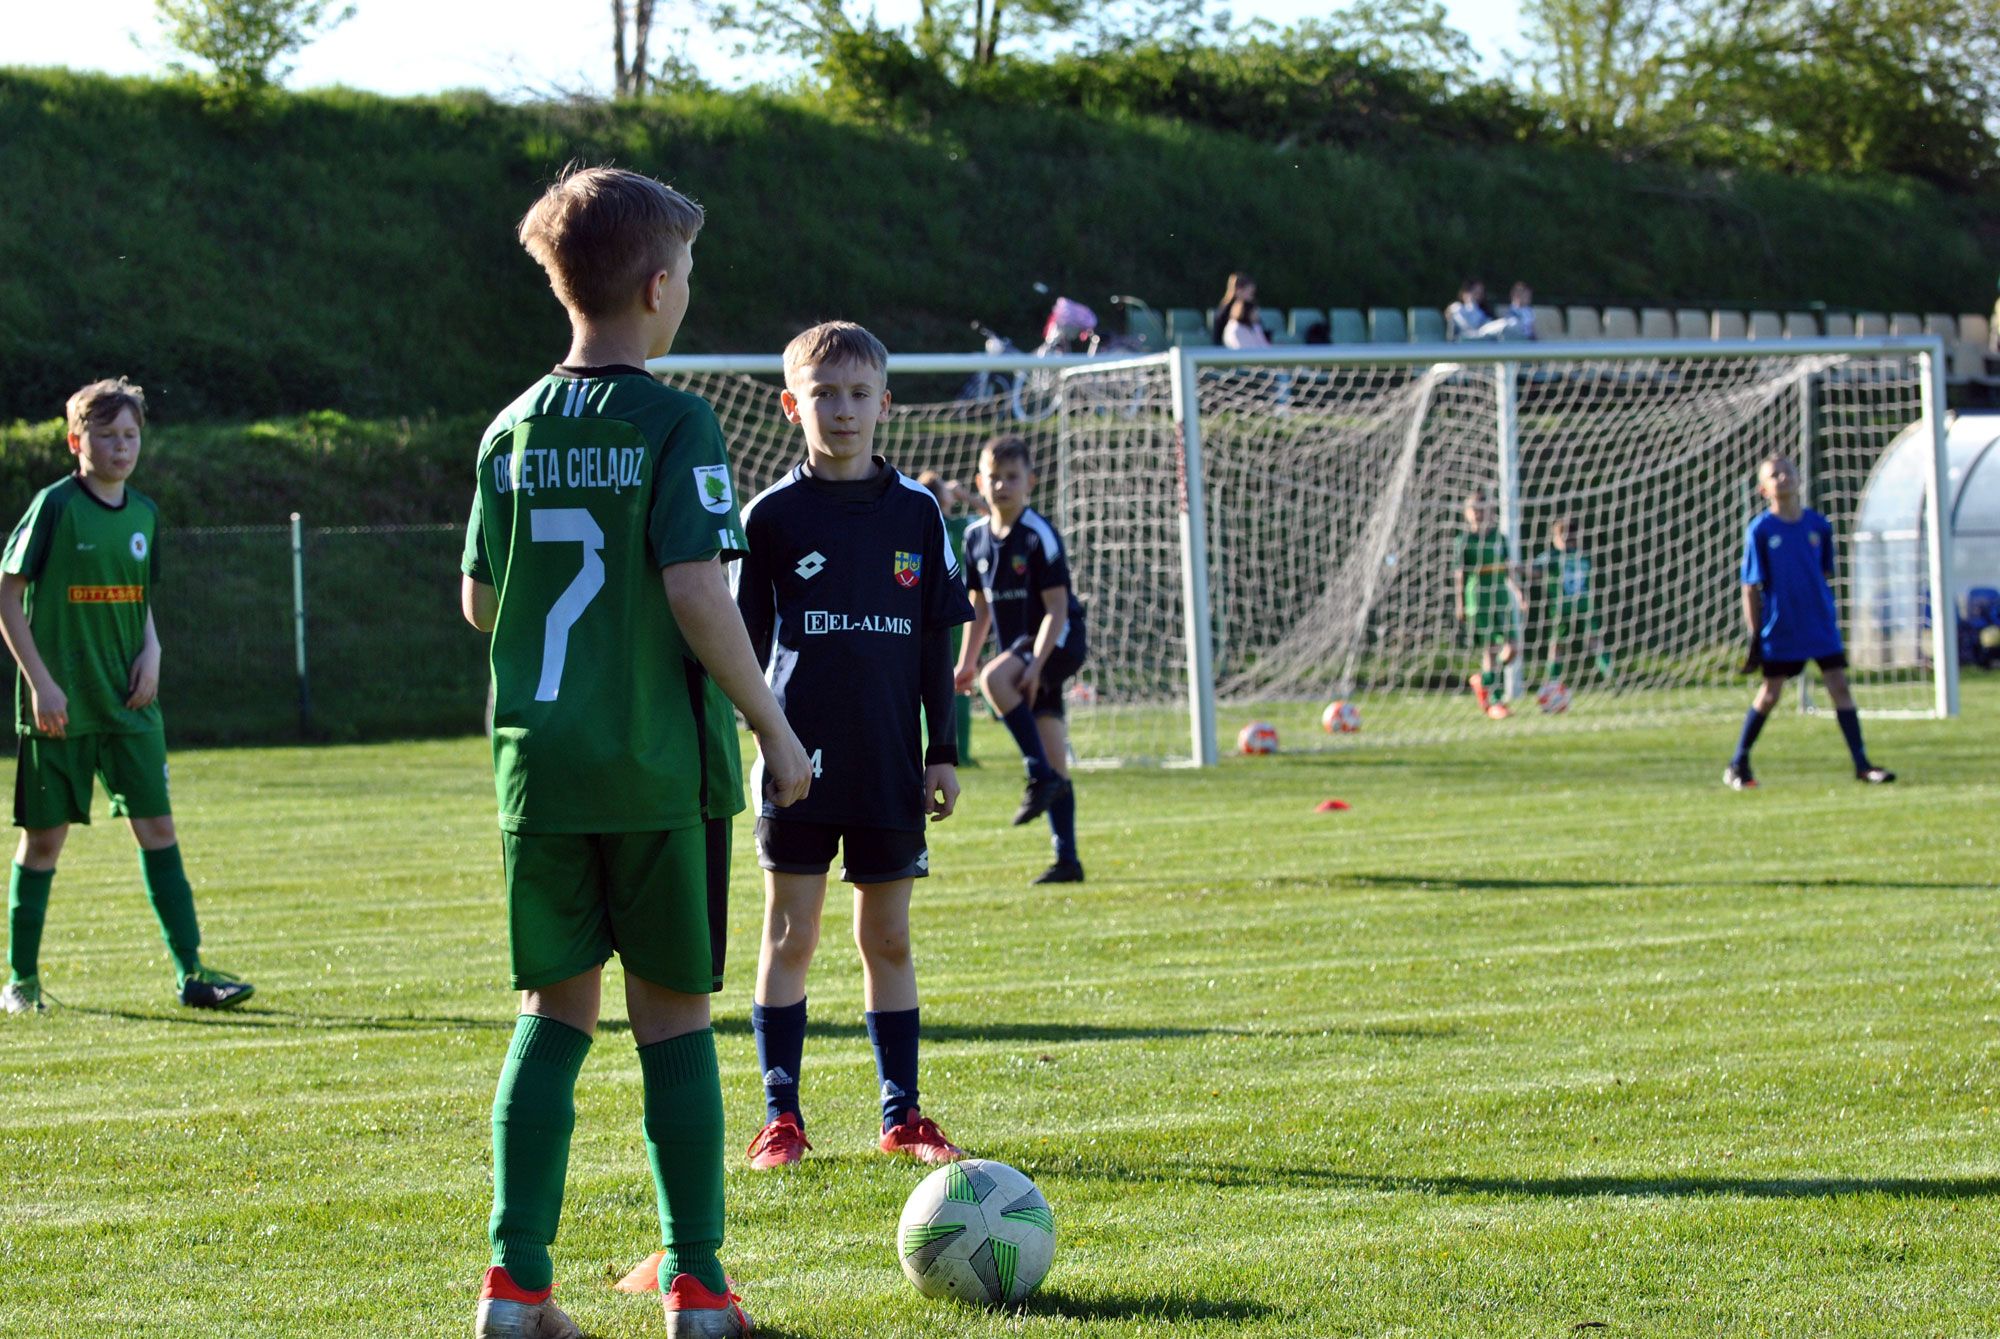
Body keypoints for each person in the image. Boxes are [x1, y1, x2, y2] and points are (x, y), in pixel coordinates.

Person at [460, 165, 812, 1339]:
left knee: (550, 1014)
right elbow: (697, 593)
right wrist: (772, 724)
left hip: (539, 770)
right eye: (692, 274)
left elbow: (478, 600)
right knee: (670, 1023)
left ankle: (515, 1291)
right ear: (657, 289)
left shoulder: (509, 427)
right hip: (656, 769)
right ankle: (699, 1290)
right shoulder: (675, 419)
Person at [731, 321, 975, 1173]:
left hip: (888, 764)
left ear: (885, 404)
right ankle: (780, 1116)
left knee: (891, 940)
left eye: (859, 394)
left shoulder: (919, 511)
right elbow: (740, 647)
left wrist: (942, 750)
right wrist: (765, 738)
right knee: (791, 935)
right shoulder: (769, 518)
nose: (842, 411)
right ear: (793, 405)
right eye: (824, 395)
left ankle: (902, 1114)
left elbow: (934, 642)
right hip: (796, 765)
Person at [0, 377, 254, 1017]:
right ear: (75, 441)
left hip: (130, 704)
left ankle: (192, 972)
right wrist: (41, 683)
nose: (121, 446)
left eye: (131, 435)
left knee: (158, 829)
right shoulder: (55, 506)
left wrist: (154, 651)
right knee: (45, 841)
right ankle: (21, 983)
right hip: (62, 707)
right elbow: (7, 594)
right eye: (107, 435)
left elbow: (139, 598)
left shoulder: (144, 513)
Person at [955, 436, 1087, 883]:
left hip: (1059, 640)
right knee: (1056, 757)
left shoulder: (1037, 534)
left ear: (1030, 482)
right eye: (993, 476)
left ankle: (1036, 775)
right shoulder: (975, 538)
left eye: (1012, 477)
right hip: (1023, 650)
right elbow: (979, 606)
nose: (1002, 485)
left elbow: (1058, 609)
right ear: (980, 481)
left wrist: (1033, 667)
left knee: (997, 681)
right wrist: (966, 662)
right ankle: (1067, 860)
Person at [1725, 455, 1894, 790]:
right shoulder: (1761, 530)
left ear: (1800, 479)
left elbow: (1822, 573)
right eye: (1775, 475)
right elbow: (1750, 585)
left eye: (1788, 472)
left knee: (1839, 686)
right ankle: (1738, 763)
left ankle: (1862, 765)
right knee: (1771, 693)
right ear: (1763, 489)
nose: (1784, 478)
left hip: (1819, 625)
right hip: (1781, 627)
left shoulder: (1818, 526)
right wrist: (1755, 634)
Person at [919, 469, 981, 765]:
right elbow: (993, 514)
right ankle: (960, 752)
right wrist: (966, 495)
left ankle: (933, 746)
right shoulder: (953, 526)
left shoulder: (925, 523)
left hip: (928, 610)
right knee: (954, 679)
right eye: (945, 487)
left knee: (929, 679)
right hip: (953, 613)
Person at [1454, 492, 1524, 719]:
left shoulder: (1499, 537)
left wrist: (1519, 594)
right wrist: (1461, 603)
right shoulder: (1465, 541)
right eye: (1473, 509)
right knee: (1491, 650)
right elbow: (1460, 574)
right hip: (1479, 598)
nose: (1478, 513)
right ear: (1467, 513)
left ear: (1490, 511)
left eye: (1482, 508)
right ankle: (1495, 700)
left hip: (1501, 597)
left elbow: (1508, 568)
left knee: (1513, 648)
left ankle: (1483, 682)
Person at [1533, 516, 1612, 691]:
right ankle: (1610, 675)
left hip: (1563, 607)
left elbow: (1535, 572)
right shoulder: (1583, 556)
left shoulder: (1552, 557)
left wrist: (1517, 568)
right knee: (1594, 641)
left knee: (1557, 646)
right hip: (1585, 604)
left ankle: (1553, 683)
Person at [1212, 272, 1255, 344]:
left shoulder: (1249, 308)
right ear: (1239, 290)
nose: (1252, 296)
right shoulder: (1225, 310)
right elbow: (1218, 337)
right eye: (1250, 292)